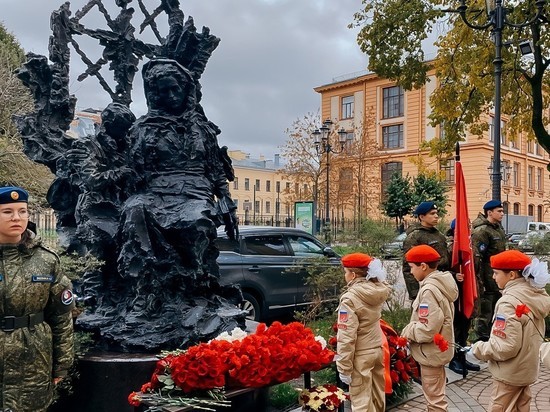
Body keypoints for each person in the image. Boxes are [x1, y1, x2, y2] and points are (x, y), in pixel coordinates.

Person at [0, 186, 74, 411]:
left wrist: (62, 364)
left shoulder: (46, 260)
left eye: (22, 211)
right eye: (7, 212)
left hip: (33, 360)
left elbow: (61, 316)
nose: (17, 218)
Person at [470, 250, 550, 411]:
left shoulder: (509, 302)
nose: (493, 277)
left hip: (509, 374)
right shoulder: (533, 295)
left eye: (496, 273)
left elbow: (505, 346)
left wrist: (477, 349)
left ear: (512, 275)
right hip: (526, 370)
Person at [401, 245, 458, 411]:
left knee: (434, 401)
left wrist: (408, 331)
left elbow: (428, 328)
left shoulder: (428, 291)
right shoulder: (440, 283)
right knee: (436, 395)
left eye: (412, 267)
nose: (411, 272)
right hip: (436, 351)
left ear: (423, 266)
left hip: (430, 352)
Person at [336, 252, 391, 412]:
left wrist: (344, 367)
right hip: (377, 349)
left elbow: (347, 336)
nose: (345, 275)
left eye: (346, 272)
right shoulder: (376, 290)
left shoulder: (350, 298)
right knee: (377, 399)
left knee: (361, 403)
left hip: (361, 356)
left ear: (353, 275)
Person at [446, 219, 480, 375]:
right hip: (456, 293)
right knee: (456, 326)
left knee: (466, 325)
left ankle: (462, 355)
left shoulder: (470, 247)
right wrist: (454, 275)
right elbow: (440, 270)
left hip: (468, 290)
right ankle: (453, 358)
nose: (469, 231)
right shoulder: (450, 249)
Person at [471, 200, 507, 342]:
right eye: (499, 211)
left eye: (502, 211)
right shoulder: (482, 231)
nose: (502, 213)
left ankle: (494, 339)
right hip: (486, 278)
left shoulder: (497, 228)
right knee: (485, 312)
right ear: (489, 212)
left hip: (498, 278)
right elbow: (477, 258)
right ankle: (480, 342)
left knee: (497, 310)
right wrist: (479, 281)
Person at [403, 201, 451, 301]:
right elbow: (408, 267)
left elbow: (446, 259)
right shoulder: (415, 237)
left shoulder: (439, 235)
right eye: (432, 214)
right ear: (422, 217)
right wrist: (416, 294)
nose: (436, 216)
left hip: (441, 281)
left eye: (437, 213)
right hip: (425, 285)